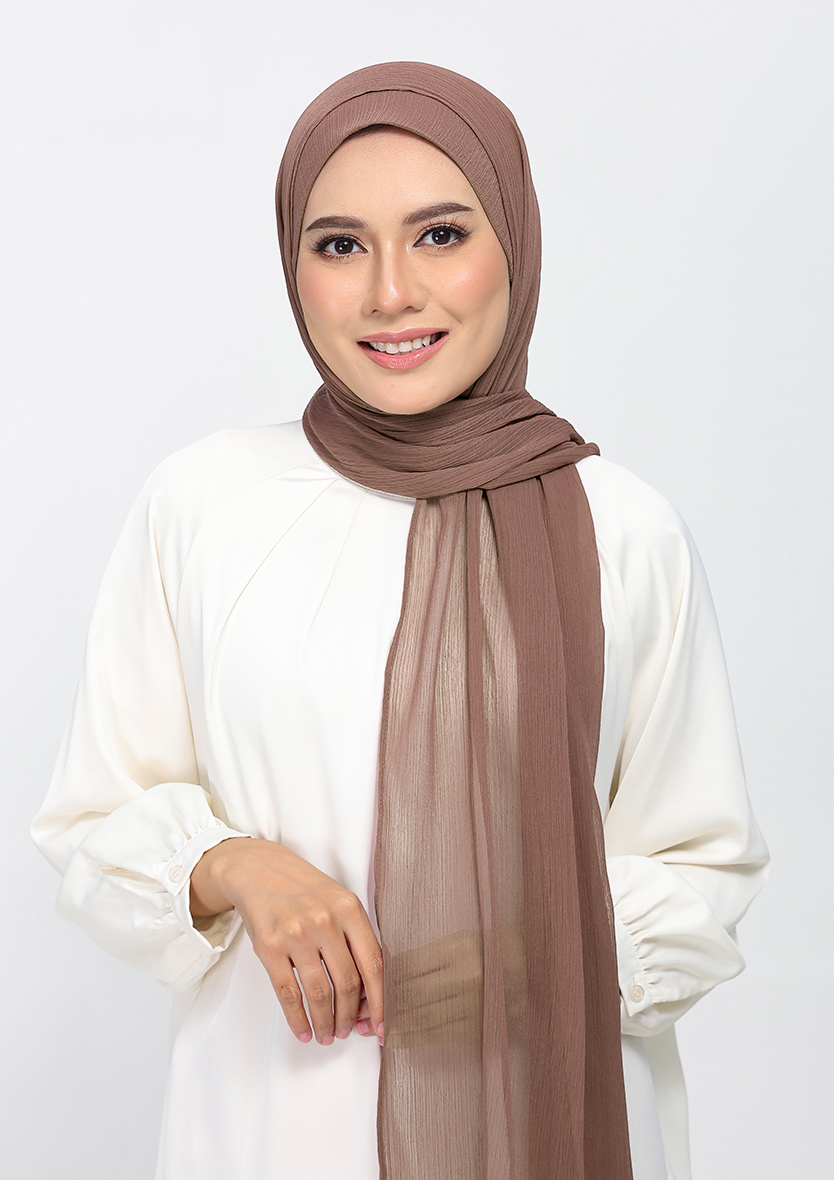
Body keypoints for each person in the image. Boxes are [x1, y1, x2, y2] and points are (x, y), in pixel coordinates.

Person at [31, 61, 769, 1180]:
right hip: (271, 1127)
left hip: (544, 1115)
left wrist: (531, 959)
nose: (390, 292)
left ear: (515, 242)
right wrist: (233, 866)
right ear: (295, 268)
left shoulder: (624, 531)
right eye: (340, 245)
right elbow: (94, 819)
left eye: (440, 235)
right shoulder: (206, 505)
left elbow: (702, 863)